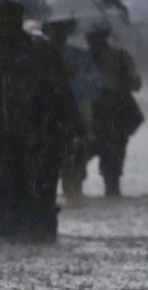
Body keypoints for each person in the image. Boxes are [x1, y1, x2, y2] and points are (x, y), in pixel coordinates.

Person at [0, 0, 84, 243]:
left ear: (19, 18)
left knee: (42, 206)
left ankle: (42, 239)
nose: (2, 24)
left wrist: (74, 132)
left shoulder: (43, 51)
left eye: (8, 18)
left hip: (44, 141)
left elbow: (62, 94)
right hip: (4, 143)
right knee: (8, 210)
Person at [41, 18, 103, 200]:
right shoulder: (36, 56)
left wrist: (76, 77)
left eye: (61, 28)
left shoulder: (79, 56)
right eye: (53, 28)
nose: (57, 33)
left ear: (68, 31)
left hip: (75, 116)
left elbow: (97, 85)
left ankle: (73, 189)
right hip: (45, 117)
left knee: (76, 161)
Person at [86, 22, 144, 196]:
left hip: (112, 116)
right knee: (82, 165)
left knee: (111, 168)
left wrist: (117, 82)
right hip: (94, 117)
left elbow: (136, 83)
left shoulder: (120, 57)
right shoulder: (81, 58)